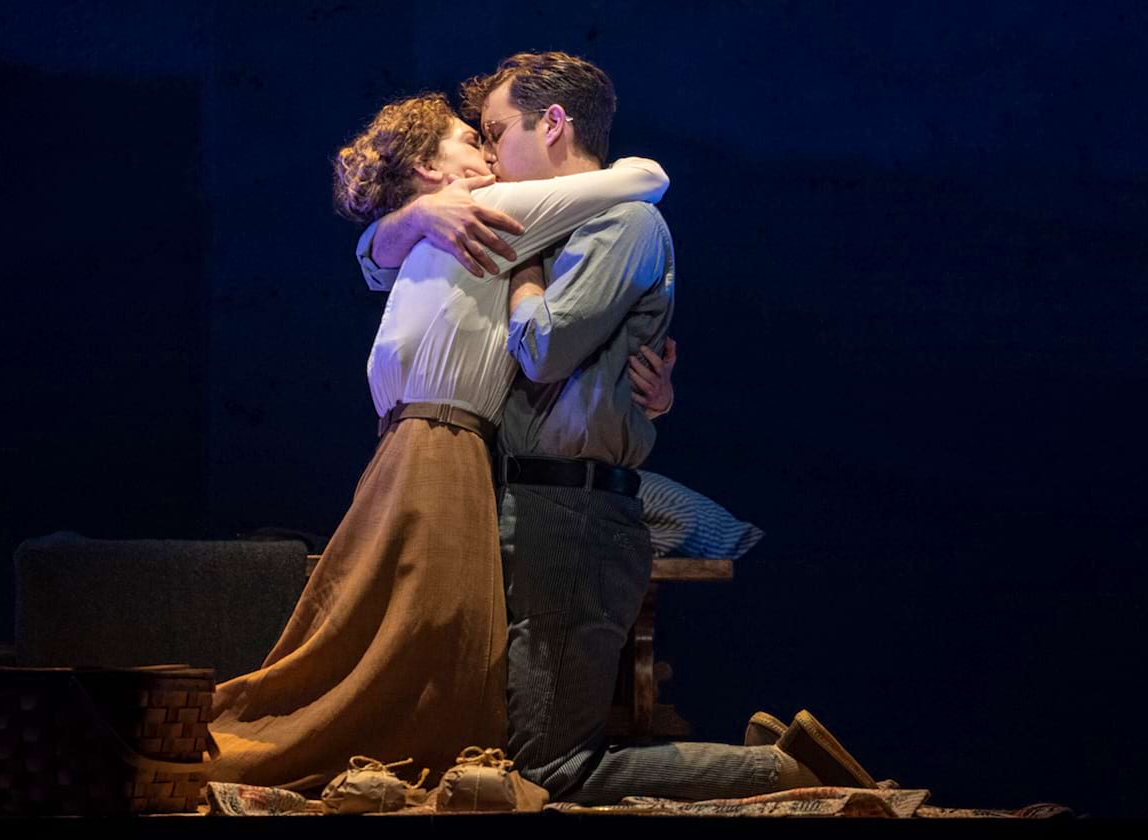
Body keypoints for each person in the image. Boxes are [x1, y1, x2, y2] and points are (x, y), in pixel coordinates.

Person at [358, 51, 878, 804]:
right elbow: (376, 262)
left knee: (548, 766)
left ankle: (776, 772)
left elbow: (541, 350)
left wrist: (525, 272)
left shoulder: (621, 223)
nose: (490, 152)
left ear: (554, 124)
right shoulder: (546, 221)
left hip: (567, 511)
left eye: (498, 132)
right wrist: (409, 218)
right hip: (521, 500)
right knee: (492, 736)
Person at [207, 91, 673, 791]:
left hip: (417, 441)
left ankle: (336, 747)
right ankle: (363, 753)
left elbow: (371, 257)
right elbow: (645, 177)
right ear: (429, 169)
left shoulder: (450, 224)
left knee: (391, 623)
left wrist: (408, 220)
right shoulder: (488, 213)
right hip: (440, 444)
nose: (486, 152)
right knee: (427, 627)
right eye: (469, 140)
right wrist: (425, 216)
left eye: (491, 135)